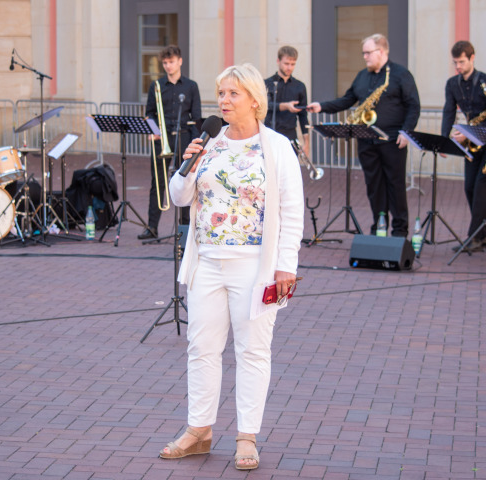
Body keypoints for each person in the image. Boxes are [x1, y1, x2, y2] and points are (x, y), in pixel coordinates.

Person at [163, 63, 304, 470]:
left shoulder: (275, 147)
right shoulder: (210, 142)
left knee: (252, 351)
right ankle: (199, 431)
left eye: (232, 94)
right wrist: (189, 161)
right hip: (207, 261)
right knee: (201, 348)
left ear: (254, 100)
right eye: (221, 93)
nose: (223, 101)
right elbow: (178, 196)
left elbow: (292, 212)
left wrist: (285, 266)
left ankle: (247, 437)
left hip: (253, 265)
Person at [307, 33, 420, 237]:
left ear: (381, 51)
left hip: (393, 140)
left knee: (395, 185)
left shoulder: (401, 75)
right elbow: (348, 100)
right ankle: (379, 227)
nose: (365, 57)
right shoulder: (362, 76)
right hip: (366, 140)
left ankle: (400, 230)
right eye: (364, 53)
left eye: (368, 53)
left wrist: (407, 132)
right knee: (374, 186)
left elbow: (414, 105)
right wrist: (322, 107)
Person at [441, 41, 486, 252]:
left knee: (482, 187)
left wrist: (468, 131)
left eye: (461, 62)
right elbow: (448, 111)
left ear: (472, 58)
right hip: (472, 143)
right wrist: (445, 140)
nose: (458, 66)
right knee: (470, 188)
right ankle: (485, 237)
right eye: (455, 63)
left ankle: (475, 238)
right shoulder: (452, 84)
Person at [139, 45, 202, 240]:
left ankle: (184, 231)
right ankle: (152, 227)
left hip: (184, 137)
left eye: (172, 62)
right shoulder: (156, 86)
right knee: (157, 184)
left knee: (185, 182)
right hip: (162, 140)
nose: (168, 66)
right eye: (165, 63)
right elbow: (149, 113)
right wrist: (153, 131)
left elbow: (197, 117)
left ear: (180, 61)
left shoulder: (191, 86)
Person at [264, 45, 310, 155]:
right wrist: (286, 106)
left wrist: (306, 142)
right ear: (278, 61)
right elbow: (266, 105)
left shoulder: (300, 86)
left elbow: (303, 116)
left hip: (290, 136)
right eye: (286, 64)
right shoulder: (267, 83)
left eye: (292, 64)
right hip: (270, 133)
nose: (289, 67)